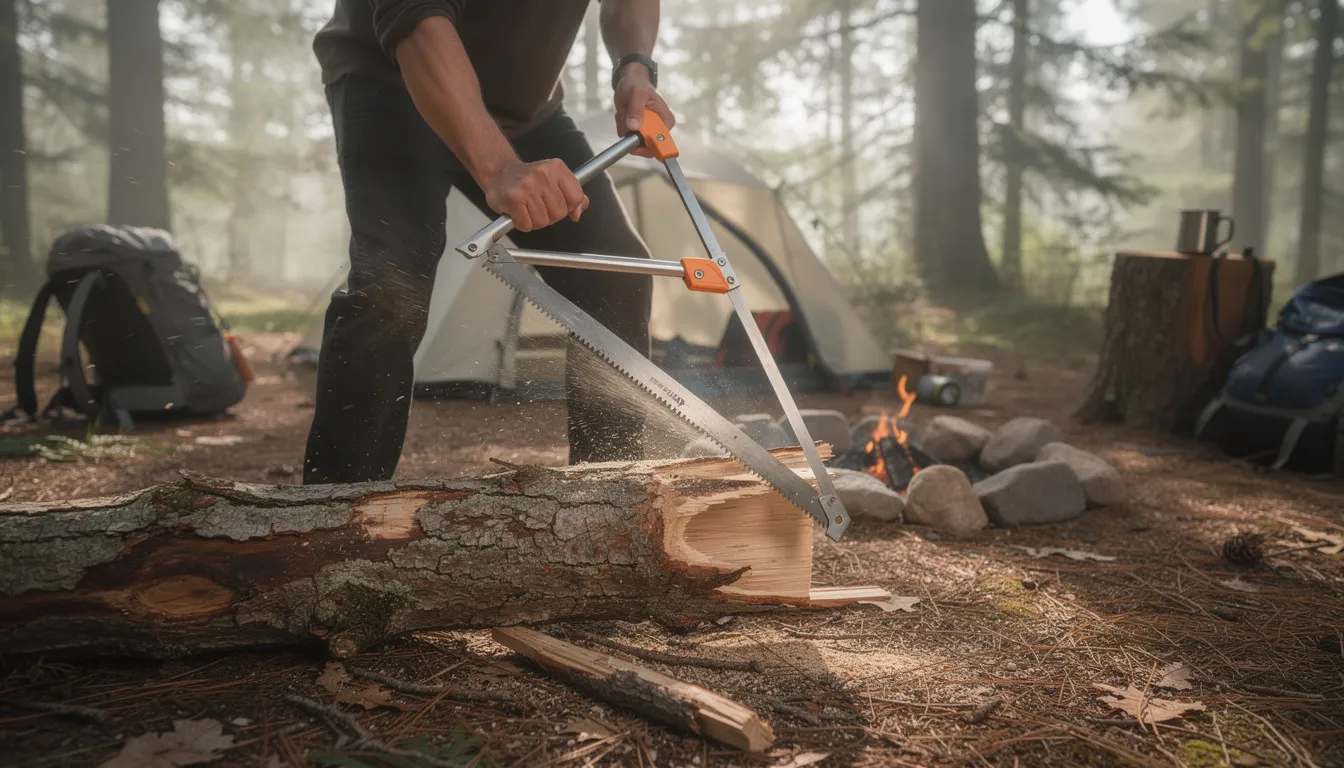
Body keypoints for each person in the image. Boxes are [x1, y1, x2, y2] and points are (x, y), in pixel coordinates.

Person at [306, 1, 675, 484]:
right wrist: (498, 166)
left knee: (614, 272)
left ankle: (607, 499)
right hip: (393, 84)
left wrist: (634, 65)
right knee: (390, 288)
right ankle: (333, 512)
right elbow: (415, 17)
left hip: (526, 112)